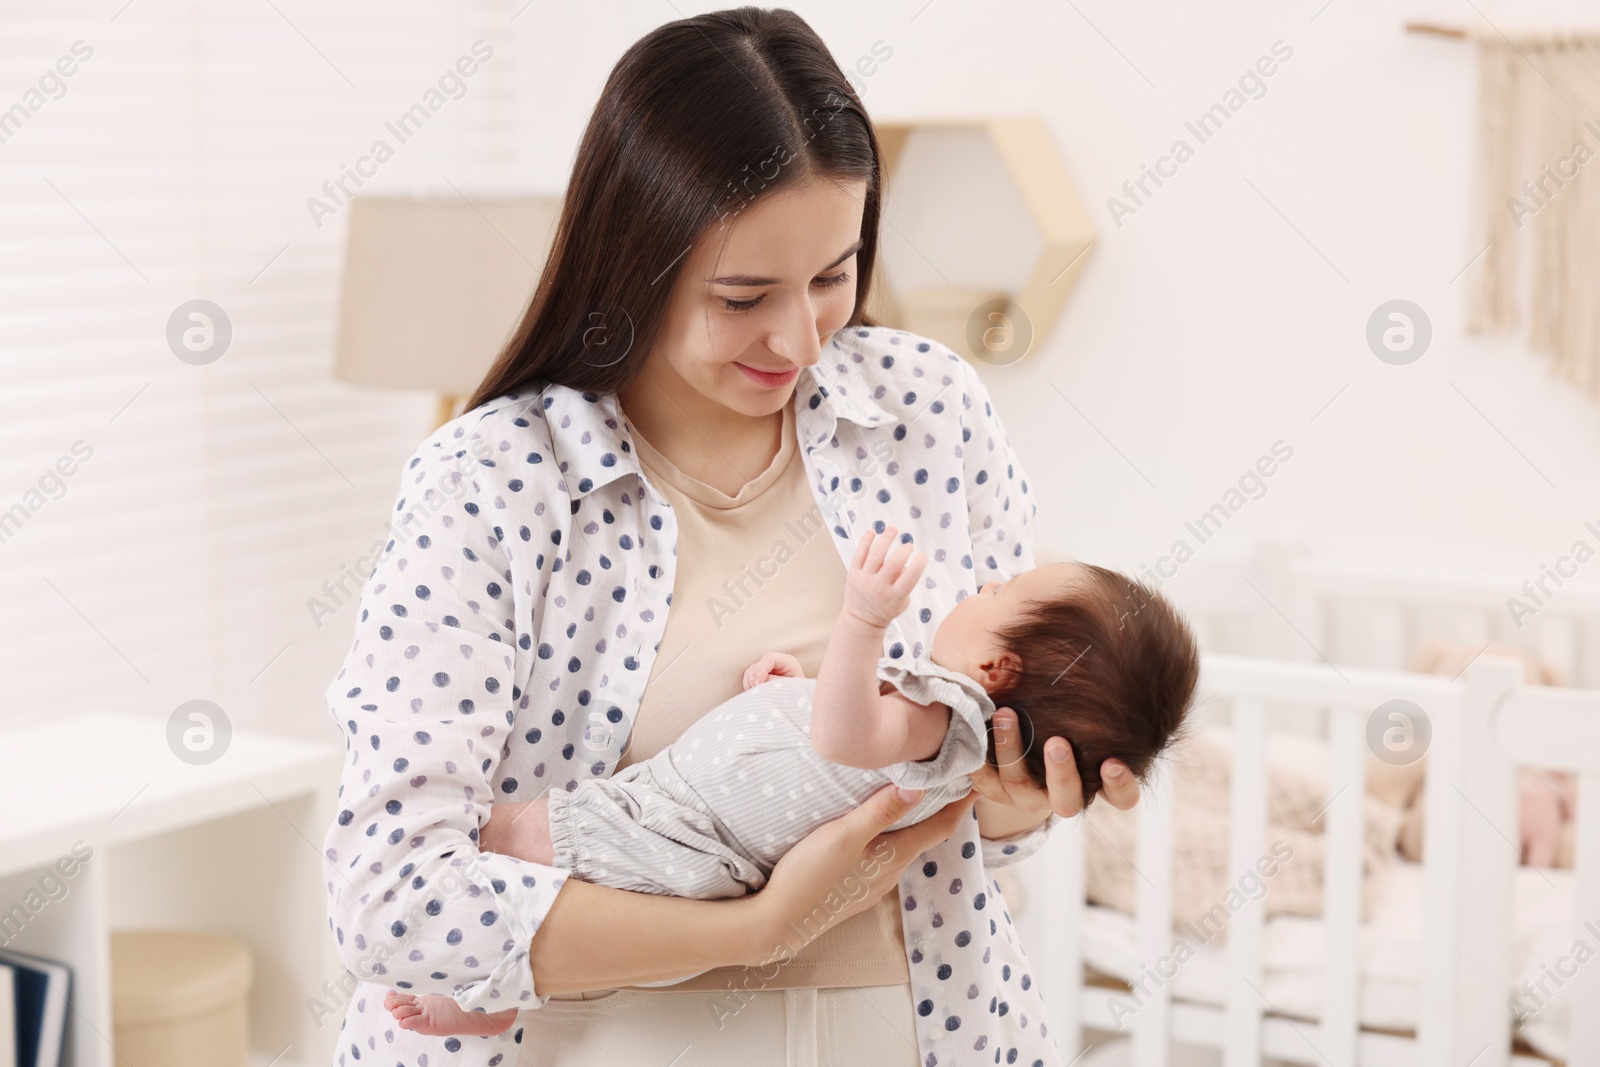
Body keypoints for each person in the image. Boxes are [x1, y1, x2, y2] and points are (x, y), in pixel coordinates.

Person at [319, 9, 1144, 1066]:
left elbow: (984, 823)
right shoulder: (496, 478)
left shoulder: (927, 409)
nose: (801, 337)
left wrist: (1015, 795)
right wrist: (755, 930)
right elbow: (392, 897)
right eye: (743, 295)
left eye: (833, 276)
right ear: (635, 259)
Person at [382, 533, 1199, 1039]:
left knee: (515, 838)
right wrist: (791, 687)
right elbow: (836, 746)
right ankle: (491, 993)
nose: (982, 586)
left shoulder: (941, 712)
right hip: (694, 834)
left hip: (681, 828)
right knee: (551, 866)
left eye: (998, 596)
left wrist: (863, 619)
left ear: (997, 667)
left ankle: (482, 995)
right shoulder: (941, 729)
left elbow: (846, 734)